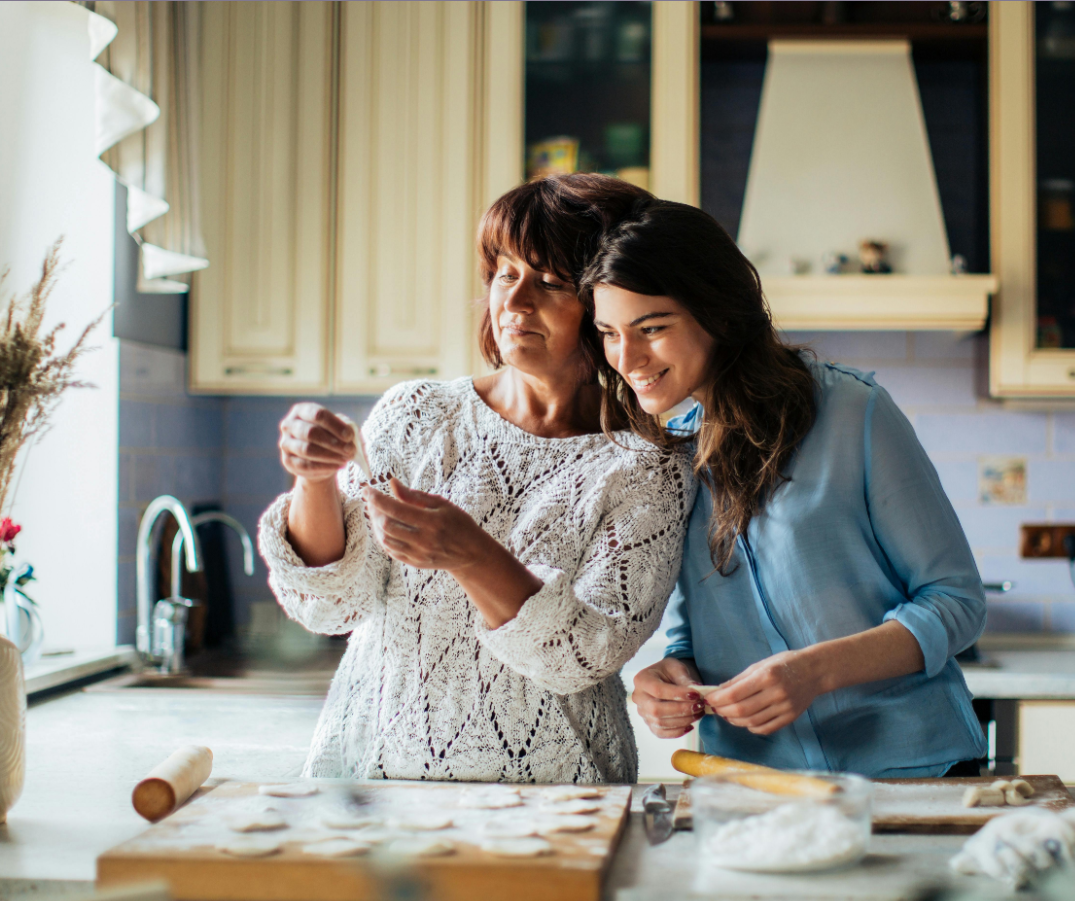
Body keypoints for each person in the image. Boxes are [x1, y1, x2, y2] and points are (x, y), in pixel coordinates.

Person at [258, 175, 695, 784]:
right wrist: (314, 481)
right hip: (374, 777)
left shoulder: (647, 464)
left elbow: (584, 654)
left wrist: (469, 555)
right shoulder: (417, 415)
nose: (514, 304)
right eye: (504, 274)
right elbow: (333, 604)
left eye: (549, 283)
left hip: (558, 792)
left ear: (605, 303)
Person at [579, 199, 986, 777]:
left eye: (652, 328)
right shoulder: (663, 453)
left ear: (717, 312)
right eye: (608, 333)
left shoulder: (853, 411)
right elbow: (692, 626)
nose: (628, 357)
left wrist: (814, 672)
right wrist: (670, 675)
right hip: (754, 784)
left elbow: (957, 602)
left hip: (912, 771)